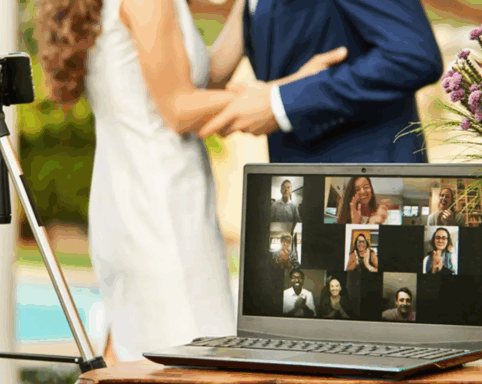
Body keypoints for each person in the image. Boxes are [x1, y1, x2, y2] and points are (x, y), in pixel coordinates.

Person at [34, 0, 345, 363]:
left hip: (130, 203)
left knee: (157, 357)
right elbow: (180, 108)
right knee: (196, 359)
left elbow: (203, 76)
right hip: (161, 214)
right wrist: (286, 90)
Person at [198, 0, 443, 166]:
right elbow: (204, 83)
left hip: (369, 181)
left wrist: (282, 103)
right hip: (297, 182)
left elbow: (412, 56)